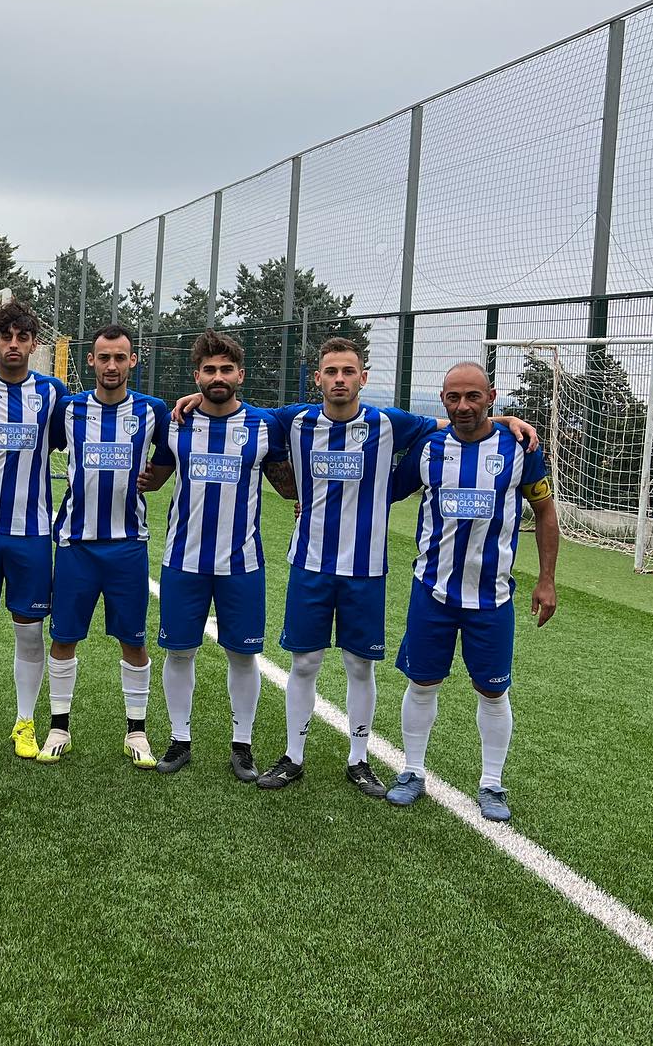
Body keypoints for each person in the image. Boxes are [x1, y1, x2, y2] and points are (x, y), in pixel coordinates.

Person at [173, 336, 535, 799]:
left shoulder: (390, 423)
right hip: (310, 564)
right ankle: (293, 757)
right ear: (317, 379)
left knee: (359, 666)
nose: (340, 379)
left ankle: (359, 760)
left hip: (366, 569)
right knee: (304, 663)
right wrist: (193, 398)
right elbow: (234, 409)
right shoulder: (294, 421)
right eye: (331, 372)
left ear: (363, 378)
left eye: (349, 372)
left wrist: (501, 419)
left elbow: (457, 422)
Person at [386, 361, 558, 822]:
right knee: (422, 683)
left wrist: (546, 580)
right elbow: (384, 491)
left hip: (492, 598)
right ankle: (412, 771)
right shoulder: (428, 448)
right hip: (433, 592)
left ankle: (492, 783)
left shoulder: (519, 447)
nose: (463, 406)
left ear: (491, 396)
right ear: (443, 400)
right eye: (453, 397)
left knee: (492, 692)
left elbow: (544, 511)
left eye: (473, 397)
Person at [148, 329, 295, 781]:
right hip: (183, 561)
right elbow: (151, 477)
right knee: (179, 653)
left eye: (225, 369)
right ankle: (179, 739)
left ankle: (242, 745)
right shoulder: (175, 422)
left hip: (242, 565)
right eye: (209, 370)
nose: (217, 376)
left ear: (241, 375)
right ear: (197, 376)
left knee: (242, 656)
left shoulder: (266, 424)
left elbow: (288, 486)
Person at [42, 324, 172, 767]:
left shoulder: (154, 410)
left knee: (133, 641)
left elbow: (172, 454)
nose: (112, 365)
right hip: (76, 543)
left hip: (128, 545)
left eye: (120, 357)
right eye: (104, 357)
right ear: (92, 361)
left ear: (133, 361)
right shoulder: (70, 409)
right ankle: (59, 726)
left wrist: (156, 476)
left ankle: (136, 733)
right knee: (63, 637)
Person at [0, 300, 68, 759]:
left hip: (33, 531)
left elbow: (65, 439)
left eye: (24, 338)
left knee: (29, 631)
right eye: (7, 337)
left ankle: (25, 722)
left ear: (34, 344)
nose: (15, 345)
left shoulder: (53, 393)